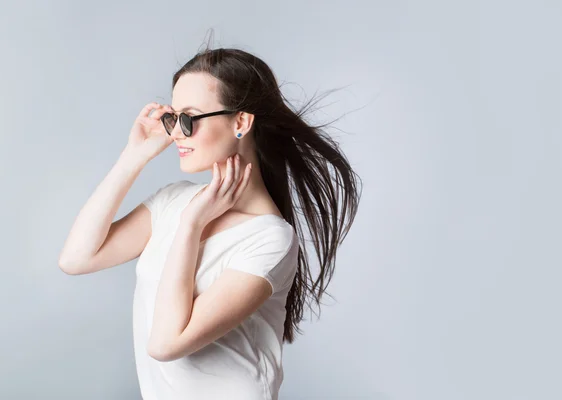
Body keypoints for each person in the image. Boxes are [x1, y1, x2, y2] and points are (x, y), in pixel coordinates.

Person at [58, 42, 361, 400]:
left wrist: (192, 226)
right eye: (173, 119)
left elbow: (166, 344)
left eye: (189, 118)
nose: (176, 134)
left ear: (241, 122)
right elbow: (76, 259)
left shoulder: (270, 240)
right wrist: (132, 158)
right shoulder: (174, 201)